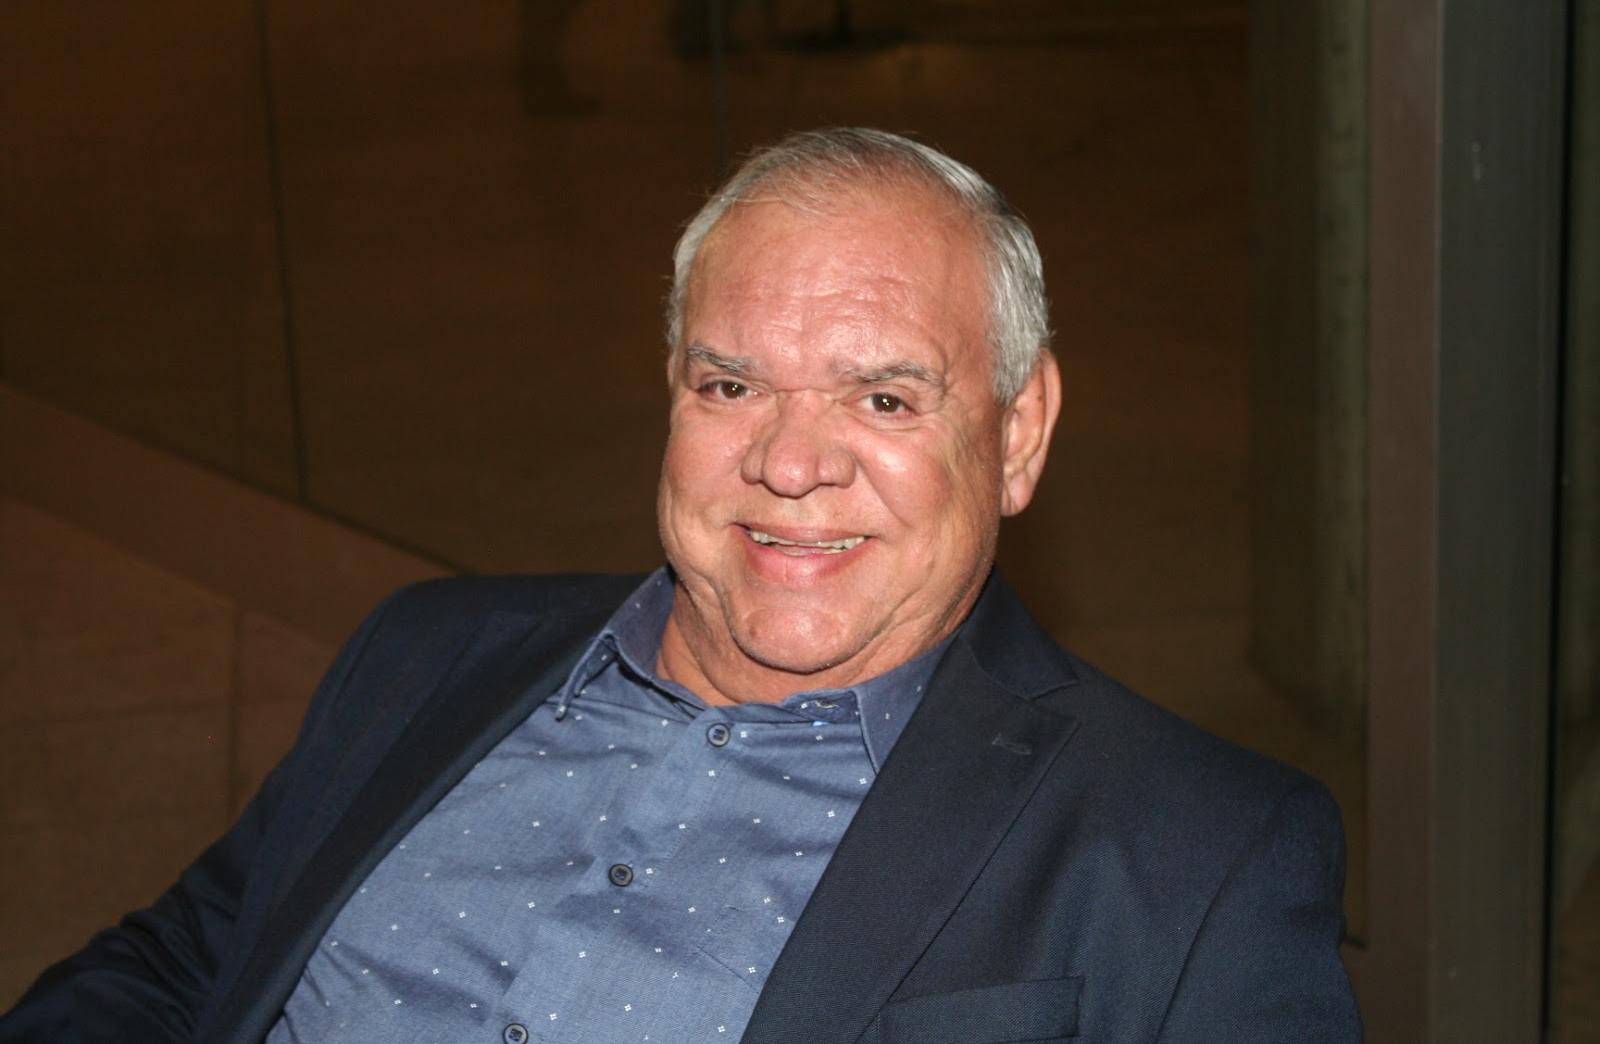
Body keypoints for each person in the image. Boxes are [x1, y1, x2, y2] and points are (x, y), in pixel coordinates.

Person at [0, 127, 1360, 1043]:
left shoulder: (1200, 859)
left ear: (1016, 434)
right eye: (731, 386)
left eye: (884, 398)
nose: (789, 463)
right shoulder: (425, 654)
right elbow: (180, 967)